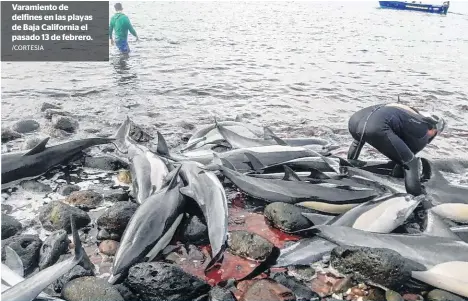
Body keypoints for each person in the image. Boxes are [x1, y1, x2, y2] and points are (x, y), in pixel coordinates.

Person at [347, 103, 445, 196]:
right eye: (435, 133)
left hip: (354, 122)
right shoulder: (423, 129)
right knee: (411, 163)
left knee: (360, 137)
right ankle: (416, 197)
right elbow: (406, 159)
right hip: (376, 125)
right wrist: (399, 175)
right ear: (433, 129)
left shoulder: (409, 114)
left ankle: (348, 165)